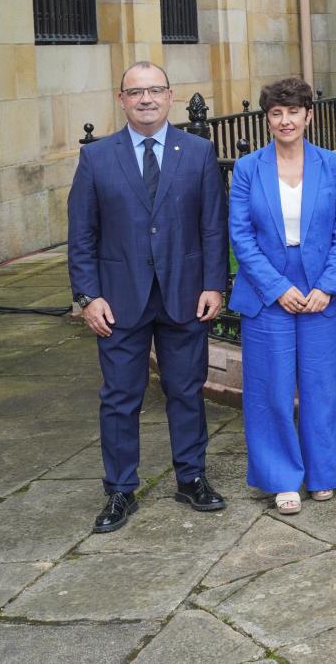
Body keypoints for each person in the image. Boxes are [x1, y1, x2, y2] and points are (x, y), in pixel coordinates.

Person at [67, 61, 228, 533]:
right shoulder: (97, 157)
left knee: (186, 390)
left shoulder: (198, 152)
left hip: (185, 295)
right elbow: (82, 234)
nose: (146, 99)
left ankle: (191, 477)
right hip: (118, 301)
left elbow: (213, 225)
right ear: (121, 100)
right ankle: (119, 489)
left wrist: (214, 284)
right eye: (136, 92)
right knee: (120, 397)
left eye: (155, 90)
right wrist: (88, 296)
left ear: (170, 96)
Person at [227, 77, 336, 515]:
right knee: (271, 387)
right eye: (277, 113)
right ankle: (281, 477)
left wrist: (327, 286)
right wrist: (277, 287)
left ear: (308, 116)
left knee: (323, 385)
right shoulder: (248, 168)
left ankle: (323, 473)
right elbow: (241, 236)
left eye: (294, 112)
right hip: (267, 290)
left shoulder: (331, 165)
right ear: (267, 119)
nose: (286, 121)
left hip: (322, 288)